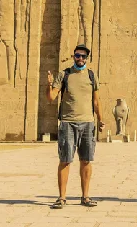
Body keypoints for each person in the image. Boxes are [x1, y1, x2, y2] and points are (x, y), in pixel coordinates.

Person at [46, 44, 105, 208]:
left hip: (87, 122)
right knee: (65, 160)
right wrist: (49, 84)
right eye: (78, 56)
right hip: (68, 122)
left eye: (83, 56)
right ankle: (62, 197)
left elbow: (96, 100)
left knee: (86, 160)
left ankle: (85, 197)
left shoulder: (91, 75)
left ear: (87, 59)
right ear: (74, 57)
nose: (80, 59)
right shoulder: (64, 74)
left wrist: (100, 119)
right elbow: (51, 97)